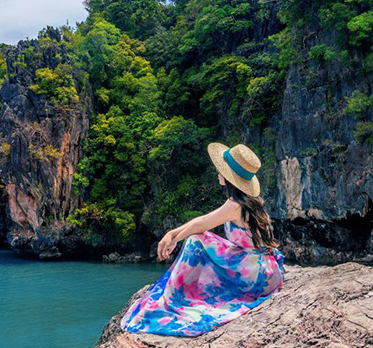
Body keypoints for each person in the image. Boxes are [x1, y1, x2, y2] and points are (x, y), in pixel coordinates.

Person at [119, 142, 285, 337]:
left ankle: (175, 298)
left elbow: (201, 225)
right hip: (263, 267)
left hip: (256, 276)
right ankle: (180, 294)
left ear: (230, 177)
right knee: (198, 237)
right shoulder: (242, 200)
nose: (217, 171)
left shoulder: (235, 205)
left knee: (195, 241)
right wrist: (173, 233)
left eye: (221, 169)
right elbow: (203, 219)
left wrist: (175, 239)